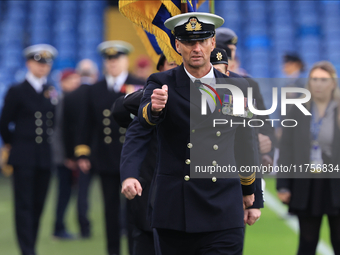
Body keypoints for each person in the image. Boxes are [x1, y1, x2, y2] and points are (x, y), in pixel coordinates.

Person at [122, 13, 256, 255]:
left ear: (212, 43)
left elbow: (245, 142)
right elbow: (140, 128)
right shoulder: (161, 83)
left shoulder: (236, 87)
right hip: (176, 211)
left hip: (223, 206)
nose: (197, 48)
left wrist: (251, 193)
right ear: (177, 45)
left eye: (202, 41)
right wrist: (153, 110)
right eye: (189, 42)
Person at [75, 41, 145, 255]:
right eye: (109, 59)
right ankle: (112, 251)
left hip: (134, 158)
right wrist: (83, 151)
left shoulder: (139, 85)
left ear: (126, 60)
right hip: (105, 157)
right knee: (110, 211)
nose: (113, 63)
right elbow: (85, 122)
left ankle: (135, 251)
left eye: (117, 59)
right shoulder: (94, 89)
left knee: (134, 211)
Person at [112, 53, 177, 255]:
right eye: (172, 64)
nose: (177, 70)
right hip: (151, 185)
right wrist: (152, 97)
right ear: (161, 69)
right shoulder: (152, 92)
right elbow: (119, 110)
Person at [277, 61, 340, 255]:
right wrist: (283, 185)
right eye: (314, 80)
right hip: (307, 184)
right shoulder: (297, 110)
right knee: (307, 241)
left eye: (323, 80)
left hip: (335, 184)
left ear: (332, 83)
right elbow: (286, 150)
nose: (318, 84)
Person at [0, 44, 58, 255]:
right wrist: (11, 144)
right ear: (28, 63)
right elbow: (4, 122)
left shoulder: (50, 91)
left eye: (46, 63)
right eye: (38, 62)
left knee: (38, 205)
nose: (42, 67)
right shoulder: (16, 90)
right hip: (23, 155)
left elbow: (52, 123)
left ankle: (30, 245)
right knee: (23, 205)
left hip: (44, 157)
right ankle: (27, 250)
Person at [210, 47, 263, 226]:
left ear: (228, 71)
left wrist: (255, 199)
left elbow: (248, 145)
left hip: (229, 183)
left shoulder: (236, 99)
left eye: (220, 71)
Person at [62, 59, 99, 238]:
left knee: (82, 193)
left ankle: (84, 228)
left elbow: (66, 129)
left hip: (80, 152)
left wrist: (70, 155)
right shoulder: (100, 92)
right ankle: (121, 225)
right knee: (114, 190)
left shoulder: (70, 96)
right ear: (95, 74)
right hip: (103, 151)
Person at [52, 69, 81, 239]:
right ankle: (58, 228)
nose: (75, 84)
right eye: (71, 80)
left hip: (67, 156)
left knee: (68, 193)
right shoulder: (61, 101)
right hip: (63, 158)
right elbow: (58, 132)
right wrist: (65, 157)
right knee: (64, 193)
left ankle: (60, 226)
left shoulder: (70, 101)